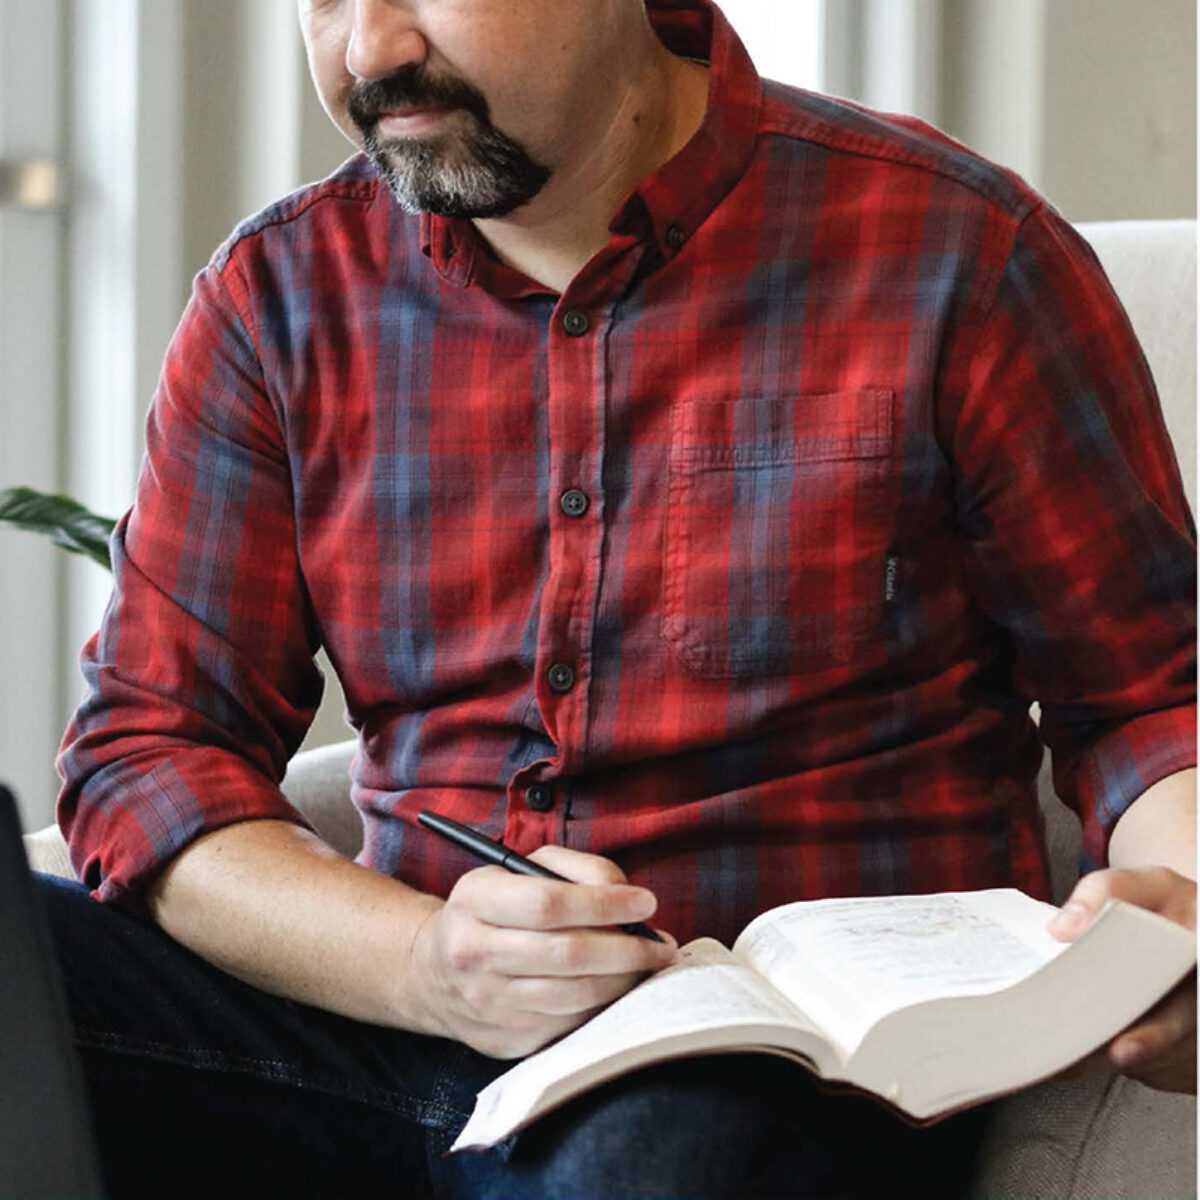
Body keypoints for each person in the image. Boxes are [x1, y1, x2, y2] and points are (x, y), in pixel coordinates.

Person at [41, 0, 1195, 1196]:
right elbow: (153, 753)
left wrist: (1186, 911)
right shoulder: (275, 297)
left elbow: (1154, 703)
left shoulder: (958, 251)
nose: (371, 49)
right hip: (390, 1037)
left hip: (764, 1066)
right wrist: (427, 965)